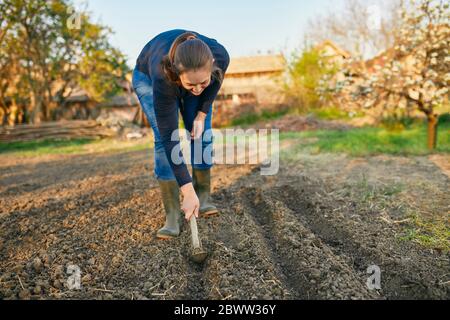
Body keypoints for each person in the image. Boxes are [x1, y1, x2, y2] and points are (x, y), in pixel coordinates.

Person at [132, 29, 230, 239]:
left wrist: (201, 114)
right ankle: (173, 214)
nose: (196, 90)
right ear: (177, 74)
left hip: (194, 73)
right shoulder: (163, 76)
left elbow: (214, 83)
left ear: (212, 63)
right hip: (147, 78)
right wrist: (186, 190)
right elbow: (169, 139)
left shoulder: (220, 56)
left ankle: (202, 196)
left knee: (201, 134)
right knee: (162, 138)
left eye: (202, 83)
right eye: (190, 85)